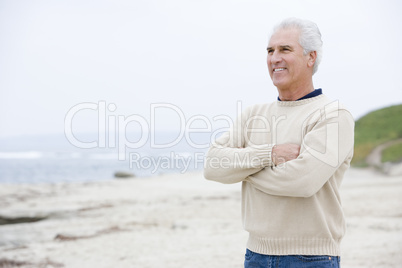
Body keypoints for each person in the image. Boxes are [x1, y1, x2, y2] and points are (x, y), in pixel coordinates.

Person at [204, 17, 354, 268]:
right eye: (270, 51)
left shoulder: (333, 115)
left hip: (312, 258)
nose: (274, 58)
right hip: (255, 255)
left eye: (285, 49)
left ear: (311, 57)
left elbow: (302, 182)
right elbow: (212, 165)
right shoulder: (253, 115)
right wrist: (269, 155)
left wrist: (242, 170)